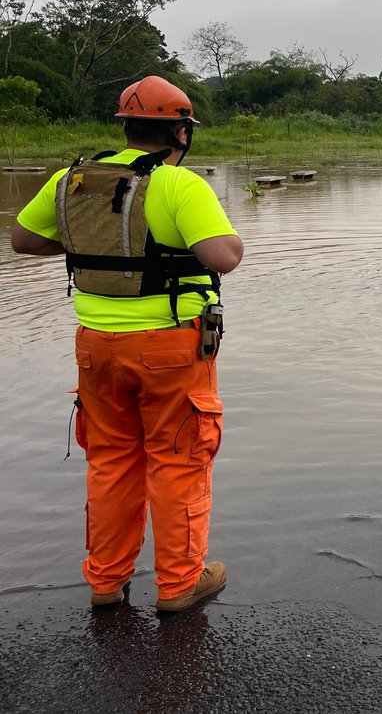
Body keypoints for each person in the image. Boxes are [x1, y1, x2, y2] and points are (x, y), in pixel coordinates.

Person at [9, 75, 243, 613]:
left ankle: (106, 581)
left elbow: (23, 240)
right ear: (180, 131)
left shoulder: (72, 179)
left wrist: (94, 253)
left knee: (111, 461)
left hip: (95, 348)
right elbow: (223, 256)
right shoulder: (179, 185)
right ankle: (180, 583)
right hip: (170, 349)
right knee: (178, 459)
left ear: (127, 126)